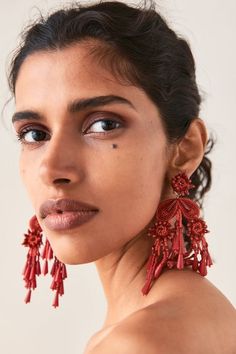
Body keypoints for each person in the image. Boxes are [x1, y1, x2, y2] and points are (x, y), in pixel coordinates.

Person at [8, 1, 236, 353]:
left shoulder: (141, 342)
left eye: (103, 125)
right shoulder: (199, 315)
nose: (52, 169)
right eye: (35, 134)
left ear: (185, 149)